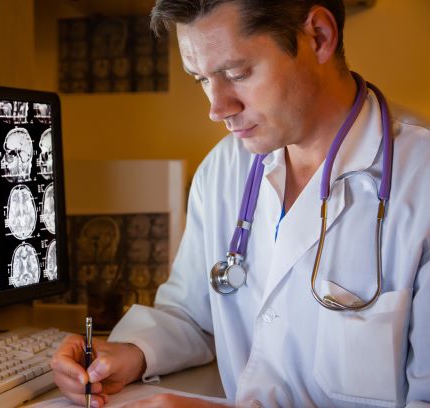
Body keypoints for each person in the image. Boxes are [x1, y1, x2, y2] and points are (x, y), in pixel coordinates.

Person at [50, 0, 430, 406]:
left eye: (237, 73)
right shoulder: (225, 169)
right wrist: (130, 353)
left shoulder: (420, 181)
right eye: (201, 80)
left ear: (318, 36)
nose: (217, 109)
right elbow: (193, 315)